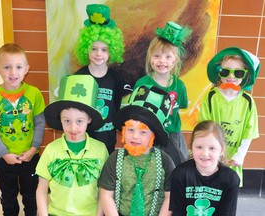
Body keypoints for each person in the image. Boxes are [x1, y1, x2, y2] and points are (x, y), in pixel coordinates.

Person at [0, 43, 46, 216]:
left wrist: (34, 149)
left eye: (18, 67)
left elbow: (40, 122)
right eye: (6, 67)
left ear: (26, 69)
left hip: (30, 156)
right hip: (5, 158)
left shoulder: (34, 93)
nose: (13, 72)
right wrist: (3, 153)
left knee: (31, 195)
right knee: (8, 195)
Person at [35, 75, 109, 216]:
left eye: (79, 121)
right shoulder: (51, 150)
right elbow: (41, 189)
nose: (73, 128)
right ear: (60, 120)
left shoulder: (100, 149)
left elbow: (104, 190)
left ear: (89, 119)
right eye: (67, 121)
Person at [99, 85, 175, 216]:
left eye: (143, 132)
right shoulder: (115, 159)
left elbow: (170, 198)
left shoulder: (165, 162)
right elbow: (106, 194)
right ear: (123, 130)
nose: (135, 136)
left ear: (153, 135)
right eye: (130, 129)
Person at [198, 47, 260, 187]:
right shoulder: (211, 97)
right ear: (219, 73)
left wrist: (240, 155)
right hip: (211, 157)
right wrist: (208, 152)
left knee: (228, 193)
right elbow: (204, 127)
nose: (231, 76)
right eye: (226, 71)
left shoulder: (247, 102)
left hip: (233, 160)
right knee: (209, 190)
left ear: (245, 75)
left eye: (238, 72)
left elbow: (249, 133)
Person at [133, 21, 192, 166]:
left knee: (176, 170)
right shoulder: (142, 84)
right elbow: (135, 112)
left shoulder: (179, 86)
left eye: (168, 57)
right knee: (148, 170)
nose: (162, 61)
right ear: (150, 58)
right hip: (147, 135)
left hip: (172, 136)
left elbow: (181, 107)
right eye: (157, 56)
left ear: (175, 60)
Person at [74, 4, 126, 154]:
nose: (98, 54)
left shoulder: (116, 78)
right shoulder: (79, 76)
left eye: (104, 49)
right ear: (86, 49)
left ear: (112, 52)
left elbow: (116, 105)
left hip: (107, 138)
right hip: (84, 139)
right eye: (94, 48)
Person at [169, 120, 240, 215]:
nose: (205, 153)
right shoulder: (180, 174)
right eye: (199, 147)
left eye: (212, 148)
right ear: (191, 147)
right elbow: (177, 212)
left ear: (221, 149)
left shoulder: (231, 179)